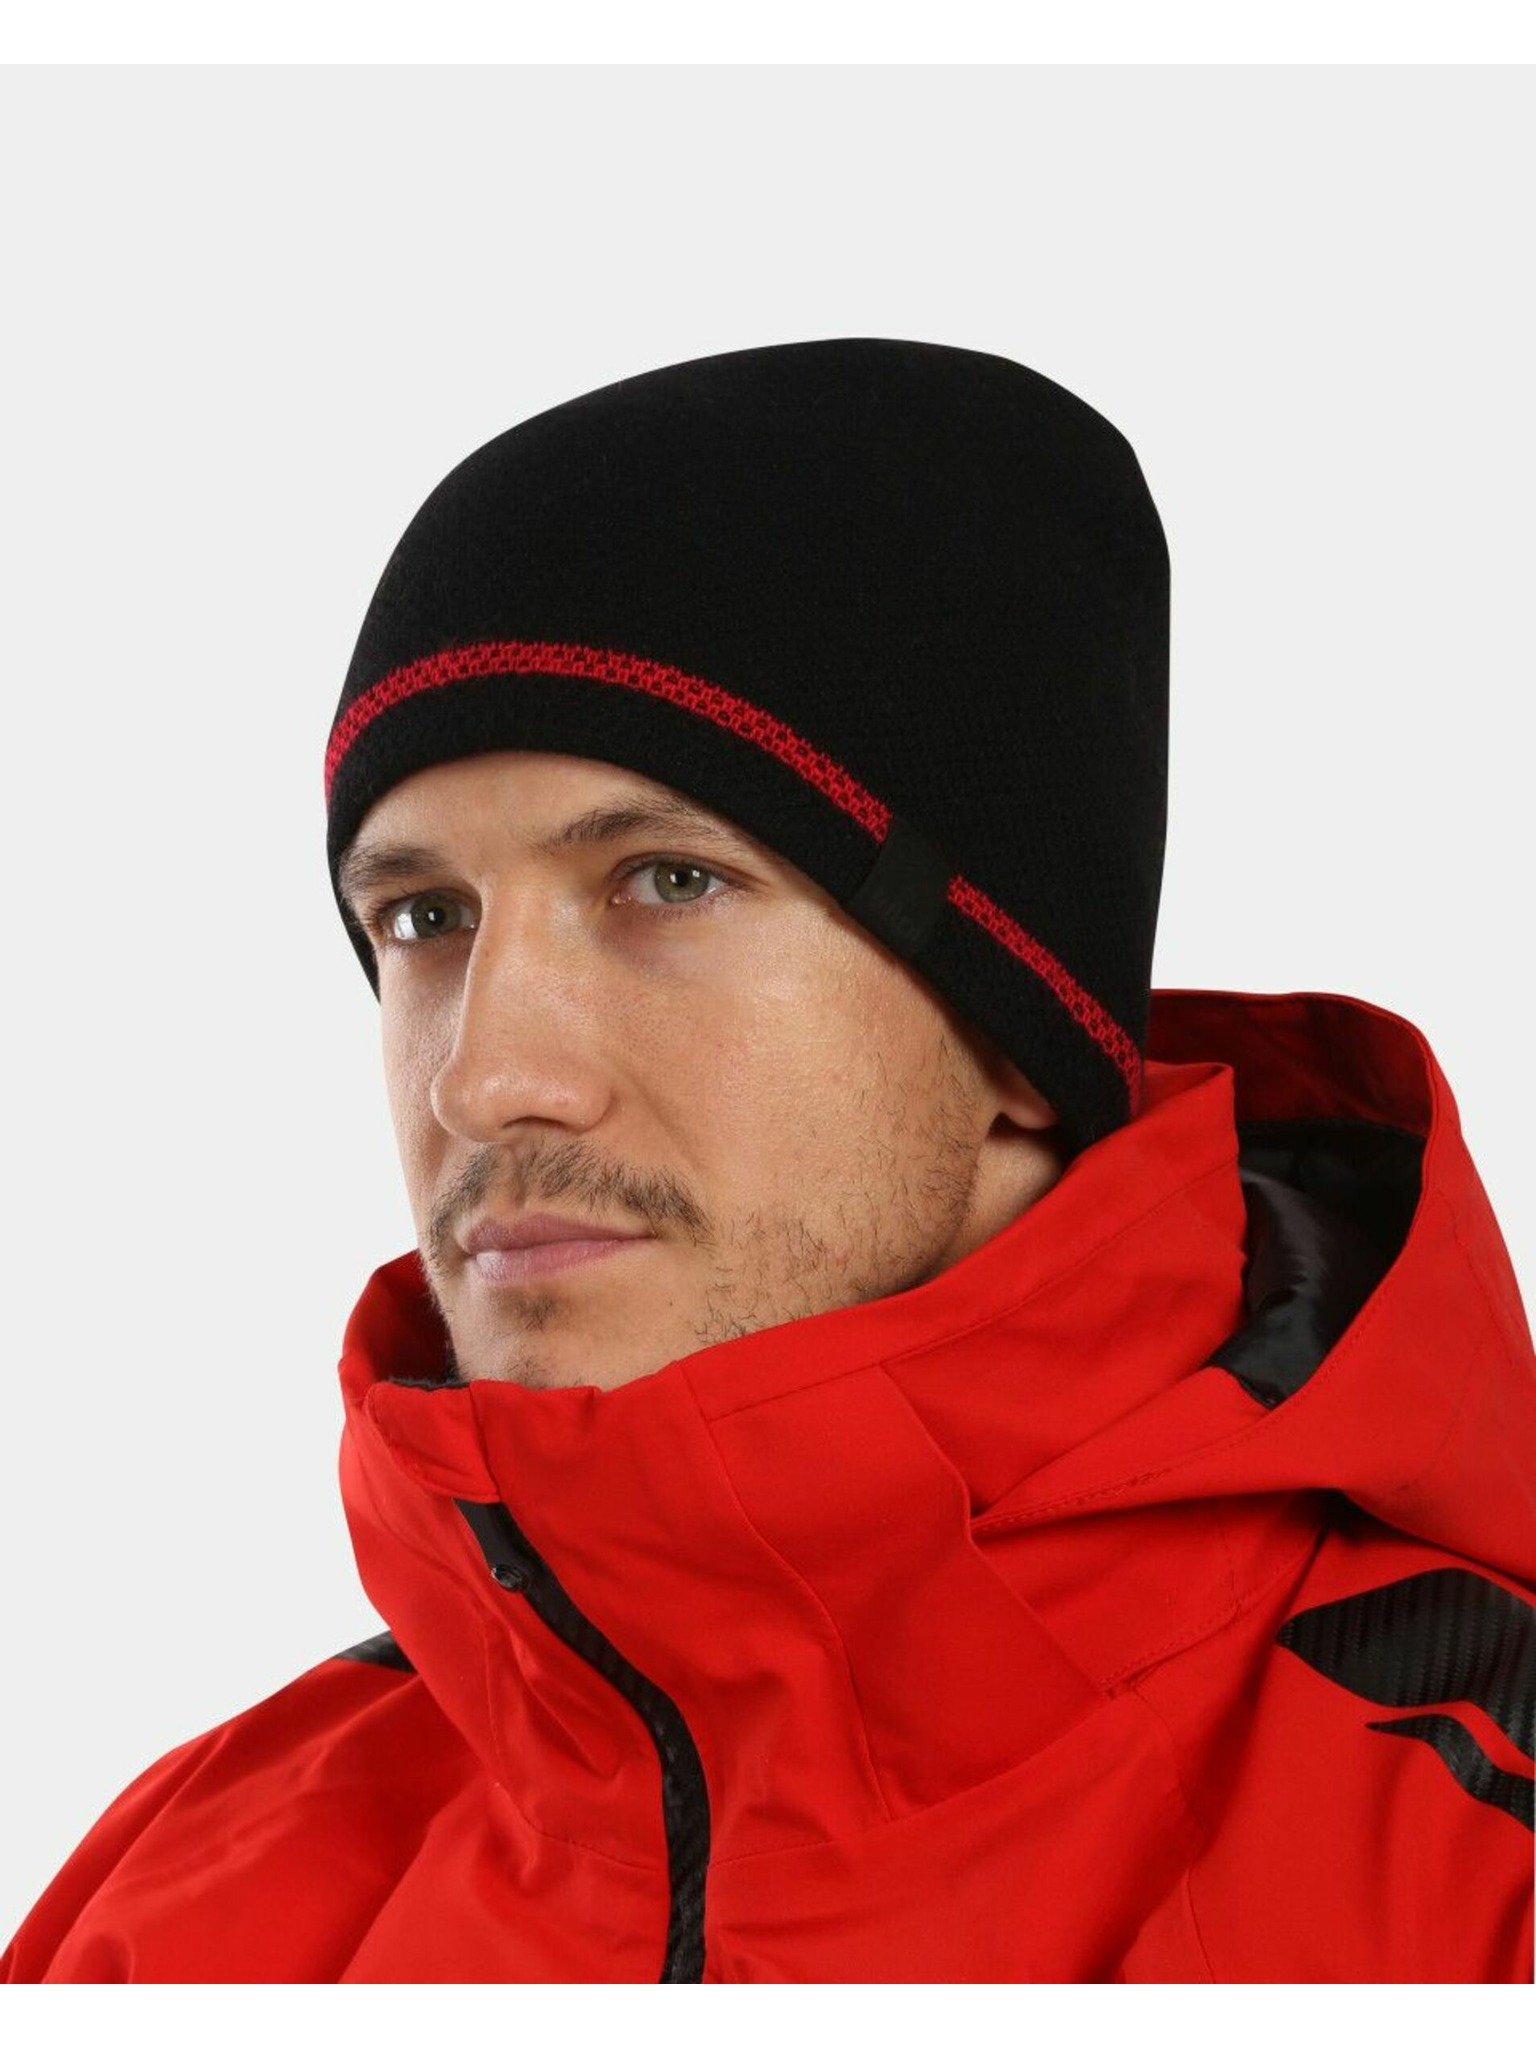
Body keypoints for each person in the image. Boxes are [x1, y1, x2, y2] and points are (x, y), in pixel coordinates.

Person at [5, 339, 1532, 1984]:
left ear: (1017, 1021)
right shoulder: (183, 1905)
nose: (488, 1078)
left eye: (668, 881)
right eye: (426, 917)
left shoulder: (1478, 1869)